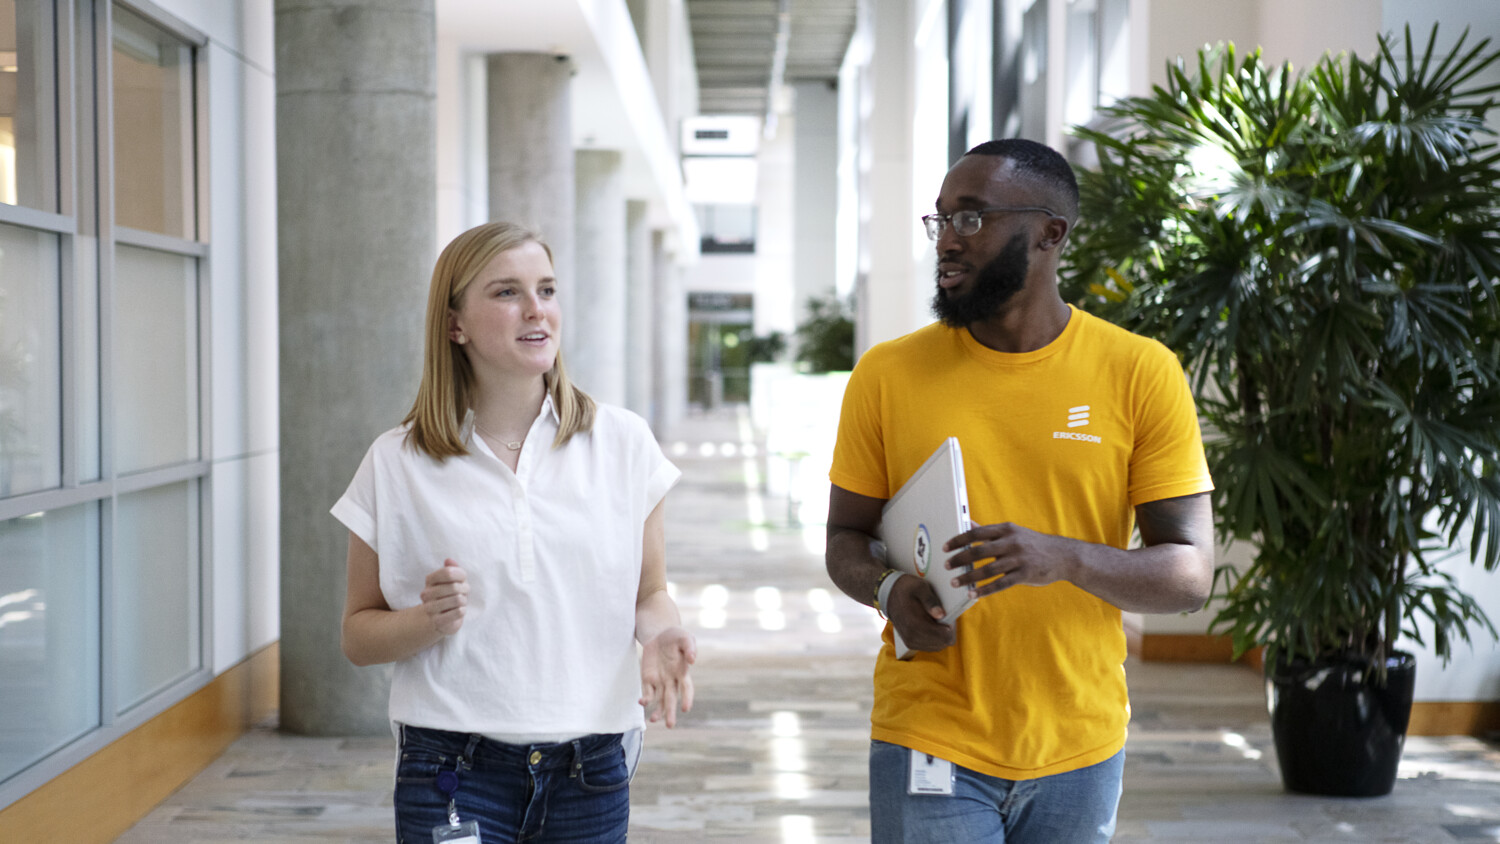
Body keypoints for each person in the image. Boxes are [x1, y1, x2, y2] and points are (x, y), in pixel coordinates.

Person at [824, 139, 1215, 843]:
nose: (947, 239)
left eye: (971, 218)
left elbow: (1188, 574)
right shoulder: (887, 374)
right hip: (931, 729)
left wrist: (1065, 559)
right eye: (940, 219)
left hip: (1081, 742)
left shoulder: (1140, 373)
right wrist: (887, 591)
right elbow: (844, 537)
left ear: (1050, 233)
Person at [332, 221, 695, 844]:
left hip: (591, 769)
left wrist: (661, 632)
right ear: (456, 325)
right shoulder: (395, 461)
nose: (537, 310)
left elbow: (648, 591)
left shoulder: (623, 442)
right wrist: (426, 620)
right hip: (450, 767)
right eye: (507, 292)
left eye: (547, 290)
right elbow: (357, 637)